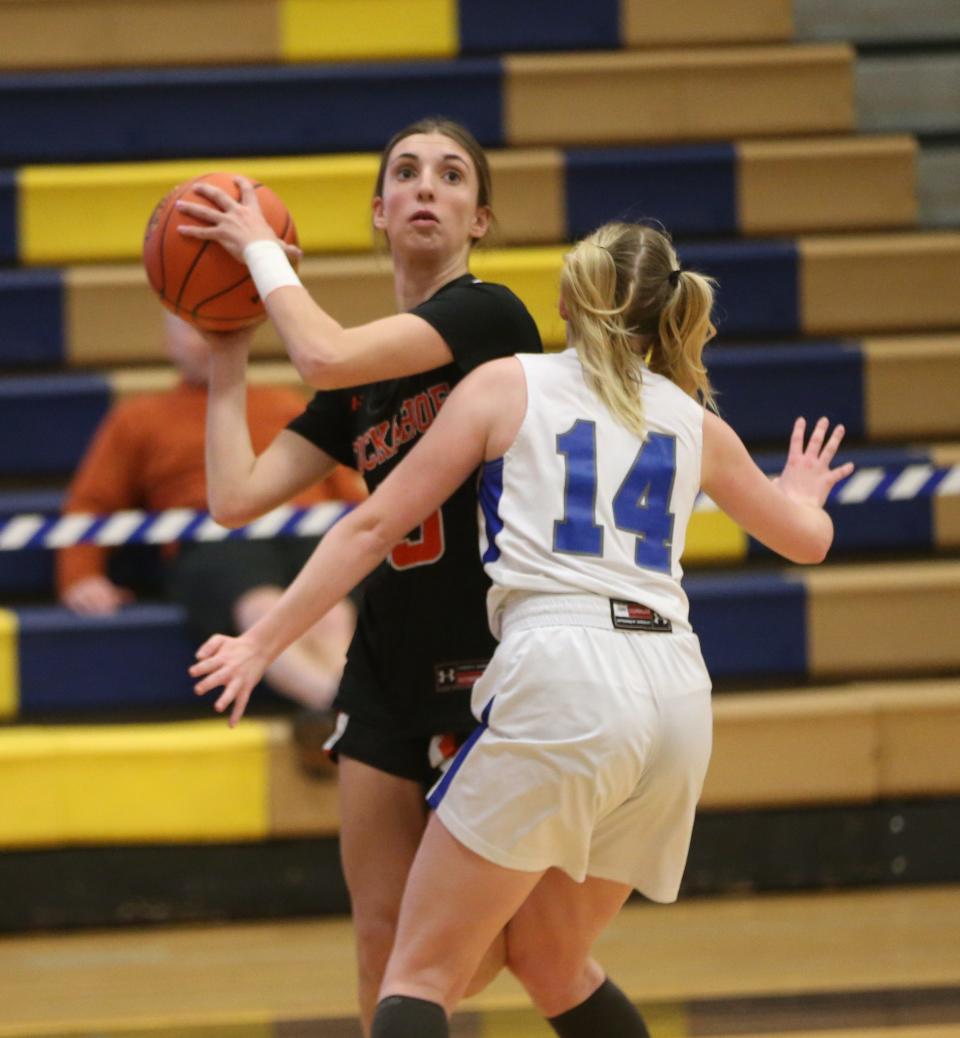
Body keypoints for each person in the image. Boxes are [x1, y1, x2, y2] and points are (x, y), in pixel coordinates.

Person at [187, 218, 855, 1037]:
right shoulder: (692, 419)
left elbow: (370, 529)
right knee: (549, 960)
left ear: (570, 301)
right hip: (677, 695)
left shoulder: (508, 384)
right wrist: (805, 494)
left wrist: (263, 640)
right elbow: (806, 541)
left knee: (420, 969)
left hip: (565, 671)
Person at [174, 117, 543, 1031]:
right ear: (379, 212)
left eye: (452, 176)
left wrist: (260, 252)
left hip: (489, 657)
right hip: (386, 659)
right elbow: (235, 496)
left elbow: (326, 350)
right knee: (381, 939)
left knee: (503, 953)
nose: (427, 186)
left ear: (479, 219)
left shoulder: (491, 318)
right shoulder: (360, 378)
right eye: (407, 174)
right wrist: (226, 342)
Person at [57, 310, 365, 712]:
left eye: (216, 328)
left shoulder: (282, 402)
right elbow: (92, 501)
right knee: (261, 607)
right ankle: (345, 710)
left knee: (333, 614)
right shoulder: (138, 418)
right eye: (191, 330)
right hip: (214, 541)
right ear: (166, 343)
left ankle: (342, 712)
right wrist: (81, 575)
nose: (205, 340)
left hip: (304, 530)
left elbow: (346, 489)